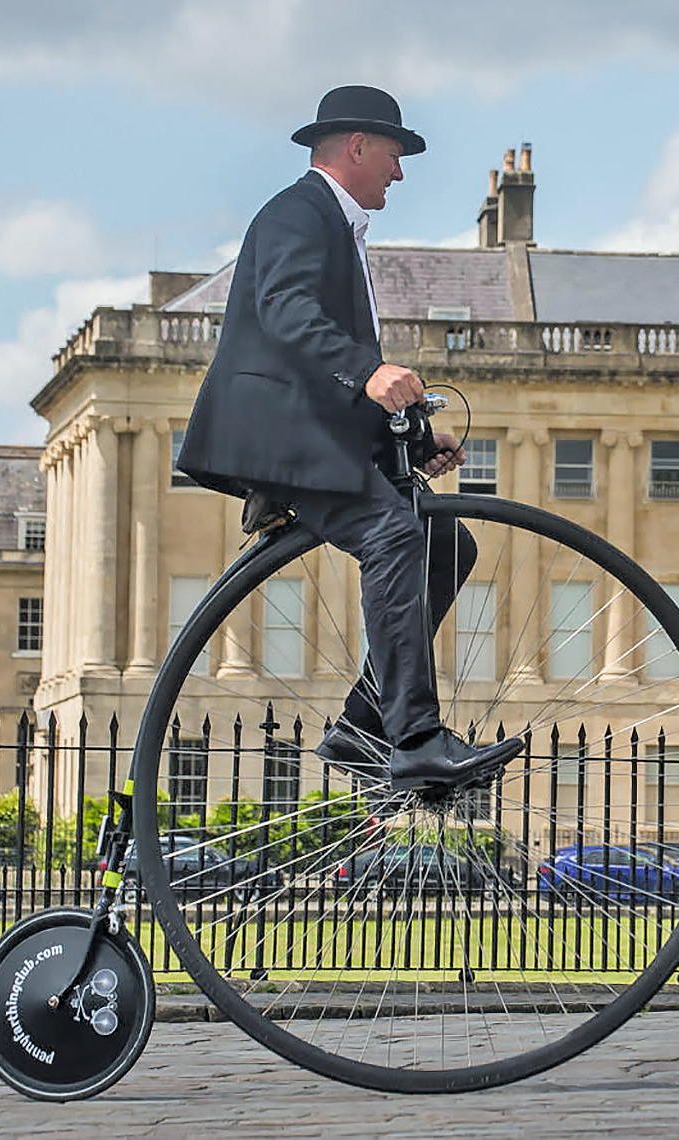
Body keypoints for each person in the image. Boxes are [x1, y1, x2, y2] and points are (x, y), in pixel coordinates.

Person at [177, 85, 522, 792]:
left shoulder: (334, 227)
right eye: (395, 155)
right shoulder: (297, 212)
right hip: (280, 441)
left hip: (314, 435)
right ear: (358, 147)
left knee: (446, 542)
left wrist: (418, 442)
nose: (400, 172)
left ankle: (364, 724)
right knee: (393, 535)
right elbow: (285, 311)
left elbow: (325, 362)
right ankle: (415, 736)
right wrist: (369, 370)